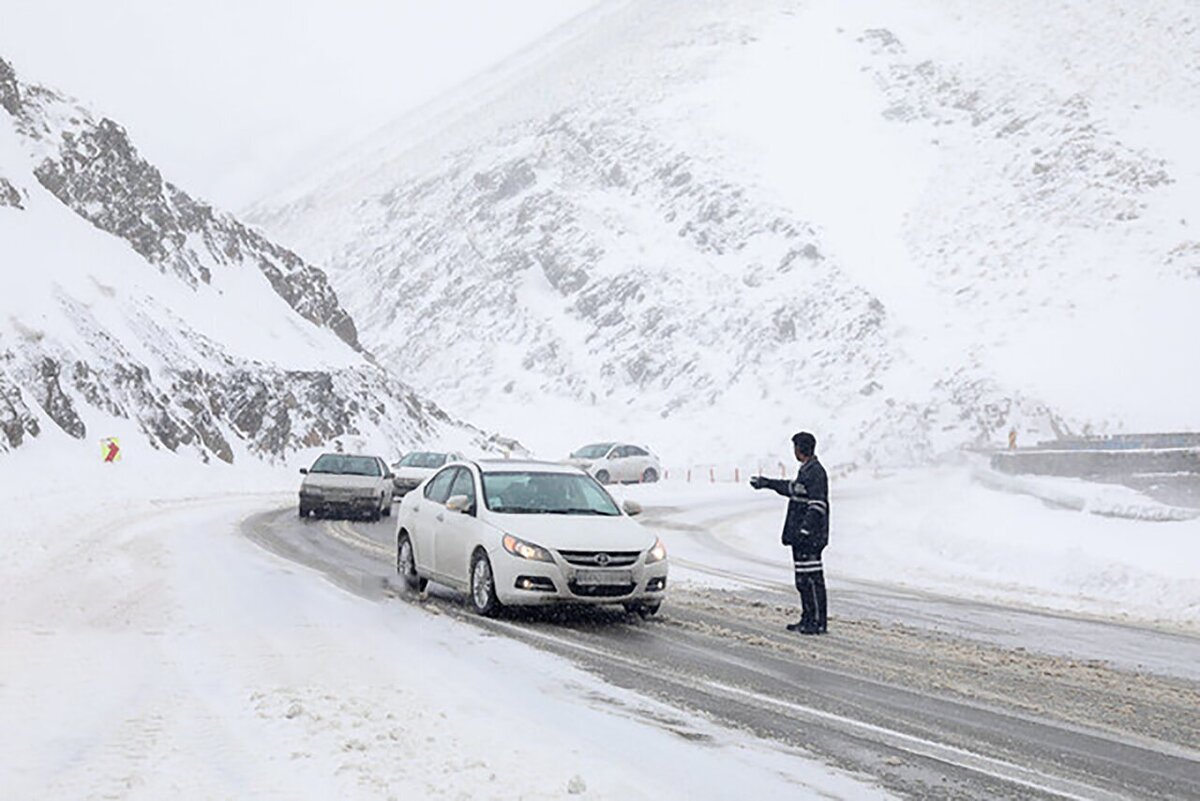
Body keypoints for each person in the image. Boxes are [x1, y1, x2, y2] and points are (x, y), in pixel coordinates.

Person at [749, 431, 829, 634]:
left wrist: (805, 529)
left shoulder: (816, 472)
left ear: (800, 449)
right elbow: (791, 489)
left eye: (795, 447)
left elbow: (818, 505)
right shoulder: (806, 471)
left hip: (811, 538)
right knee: (802, 581)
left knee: (812, 579)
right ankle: (807, 618)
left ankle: (818, 621)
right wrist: (767, 483)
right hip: (801, 538)